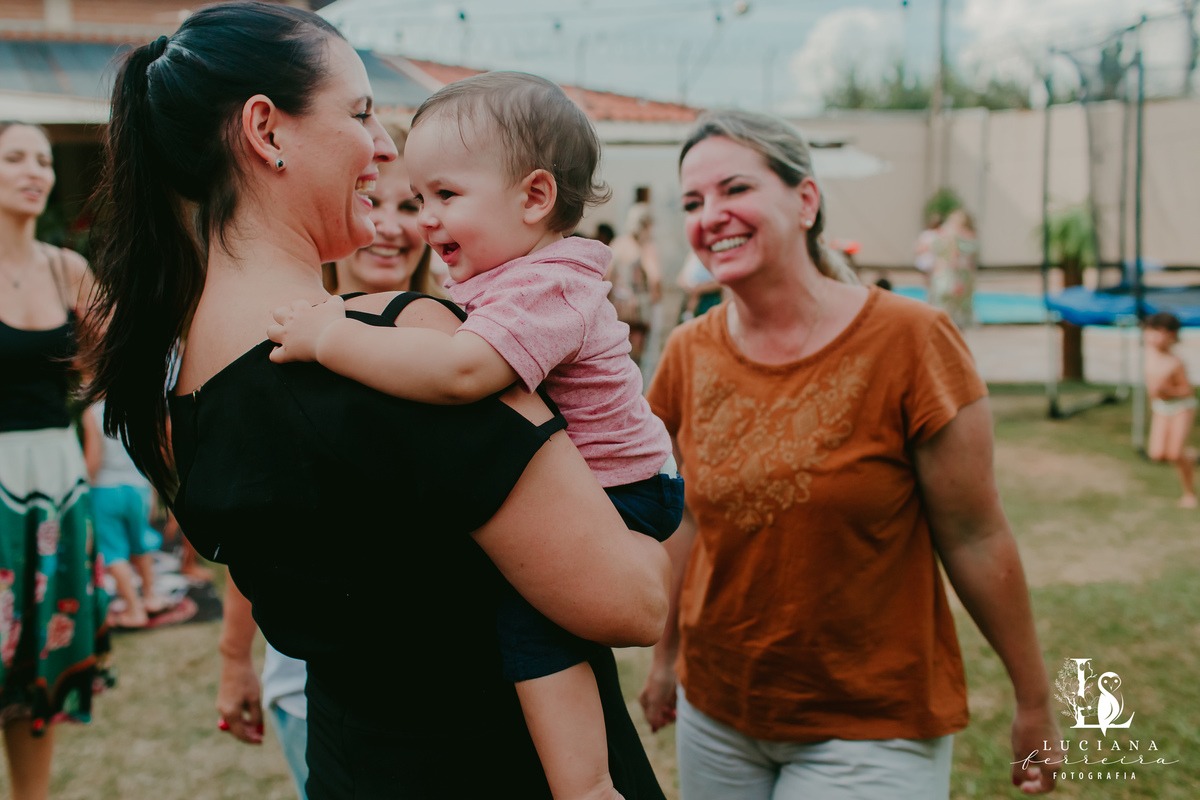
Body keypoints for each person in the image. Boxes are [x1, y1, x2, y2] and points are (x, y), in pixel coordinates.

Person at [81, 5, 669, 799]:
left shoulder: (177, 387)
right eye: (360, 114)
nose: (385, 147)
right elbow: (630, 603)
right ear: (266, 130)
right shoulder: (404, 347)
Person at [268, 71, 682, 800]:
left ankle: (587, 787)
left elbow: (462, 372)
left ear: (534, 196)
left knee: (535, 629)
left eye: (445, 197)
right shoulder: (507, 277)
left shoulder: (546, 285)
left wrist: (328, 337)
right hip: (606, 479)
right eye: (420, 198)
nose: (426, 219)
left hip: (622, 489)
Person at [637, 110, 1061, 799]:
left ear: (805, 201)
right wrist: (666, 661)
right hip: (717, 712)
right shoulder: (687, 352)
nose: (711, 215)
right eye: (693, 201)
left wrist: (1034, 700)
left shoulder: (912, 341)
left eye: (734, 190)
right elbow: (684, 521)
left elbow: (977, 536)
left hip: (873, 726)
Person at [217, 122, 442, 800]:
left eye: (415, 205)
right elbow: (257, 528)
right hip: (320, 692)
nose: (393, 226)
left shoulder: (460, 341)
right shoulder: (288, 341)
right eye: (377, 201)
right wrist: (234, 660)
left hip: (443, 684)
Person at [0, 120, 110, 800]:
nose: (34, 170)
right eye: (14, 157)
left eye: (42, 159)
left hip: (58, 484)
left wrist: (93, 421)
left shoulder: (68, 267)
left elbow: (117, 361)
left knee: (37, 668)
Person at [84, 399, 171, 629]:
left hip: (105, 489)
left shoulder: (92, 413)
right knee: (139, 544)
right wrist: (152, 492)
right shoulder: (134, 407)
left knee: (113, 551)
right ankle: (151, 598)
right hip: (138, 487)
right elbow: (148, 453)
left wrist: (83, 492)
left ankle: (134, 610)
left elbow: (93, 462)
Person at [1143, 312, 1197, 508]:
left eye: (1162, 333)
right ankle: (1192, 455)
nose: (1156, 336)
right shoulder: (1149, 353)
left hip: (1181, 406)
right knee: (1157, 454)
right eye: (1153, 332)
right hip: (1161, 407)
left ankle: (1189, 494)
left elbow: (1186, 392)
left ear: (1172, 336)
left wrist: (1168, 390)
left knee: (1175, 454)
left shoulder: (1175, 362)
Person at [606, 202, 663, 366]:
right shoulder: (645, 247)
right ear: (646, 226)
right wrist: (656, 300)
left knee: (619, 355)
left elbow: (607, 278)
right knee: (637, 359)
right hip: (639, 310)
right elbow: (655, 277)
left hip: (618, 309)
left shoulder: (617, 244)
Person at [927, 208, 978, 329]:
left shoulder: (946, 234)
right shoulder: (960, 236)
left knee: (944, 308)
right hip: (954, 276)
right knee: (953, 311)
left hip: (946, 275)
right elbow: (957, 259)